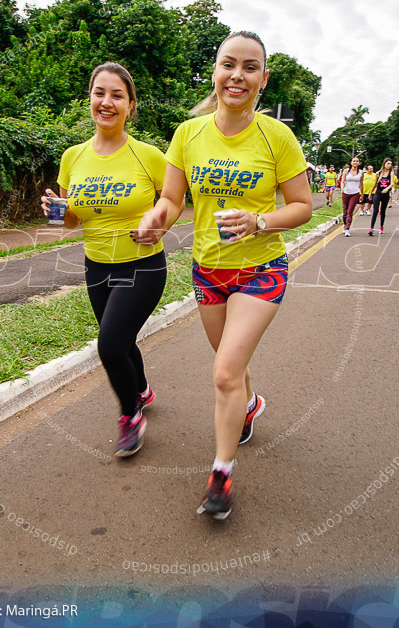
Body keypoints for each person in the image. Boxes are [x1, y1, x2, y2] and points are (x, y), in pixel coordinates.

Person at [135, 31, 312, 520]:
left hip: (262, 269)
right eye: (228, 64)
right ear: (214, 72)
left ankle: (221, 472)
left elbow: (302, 207)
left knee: (224, 371)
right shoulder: (187, 135)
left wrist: (260, 220)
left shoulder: (277, 137)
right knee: (230, 364)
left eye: (250, 67)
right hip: (208, 270)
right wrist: (157, 219)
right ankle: (250, 405)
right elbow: (172, 200)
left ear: (263, 78)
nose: (238, 75)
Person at [41, 62, 167, 458]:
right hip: (96, 265)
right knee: (121, 339)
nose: (106, 102)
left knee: (109, 345)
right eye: (99, 93)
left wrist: (158, 224)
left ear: (131, 105)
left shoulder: (149, 156)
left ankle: (130, 415)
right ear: (90, 99)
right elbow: (70, 222)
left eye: (117, 95)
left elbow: (174, 200)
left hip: (143, 264)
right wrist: (56, 211)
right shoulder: (72, 157)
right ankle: (142, 390)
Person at [368, 158, 396, 236]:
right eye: (388, 163)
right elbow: (375, 184)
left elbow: (392, 183)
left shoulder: (391, 173)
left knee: (383, 210)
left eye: (391, 164)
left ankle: (381, 226)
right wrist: (371, 193)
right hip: (378, 192)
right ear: (384, 164)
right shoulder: (378, 173)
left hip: (385, 193)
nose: (389, 165)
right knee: (375, 210)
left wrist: (387, 189)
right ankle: (371, 228)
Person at [340, 157, 363, 236]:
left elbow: (361, 183)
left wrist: (362, 194)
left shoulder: (360, 172)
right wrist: (342, 188)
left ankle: (347, 229)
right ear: (351, 162)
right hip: (346, 192)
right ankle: (344, 224)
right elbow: (342, 181)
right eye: (354, 161)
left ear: (359, 163)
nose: (355, 162)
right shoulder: (346, 171)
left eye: (357, 161)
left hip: (355, 193)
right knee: (345, 212)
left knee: (350, 211)